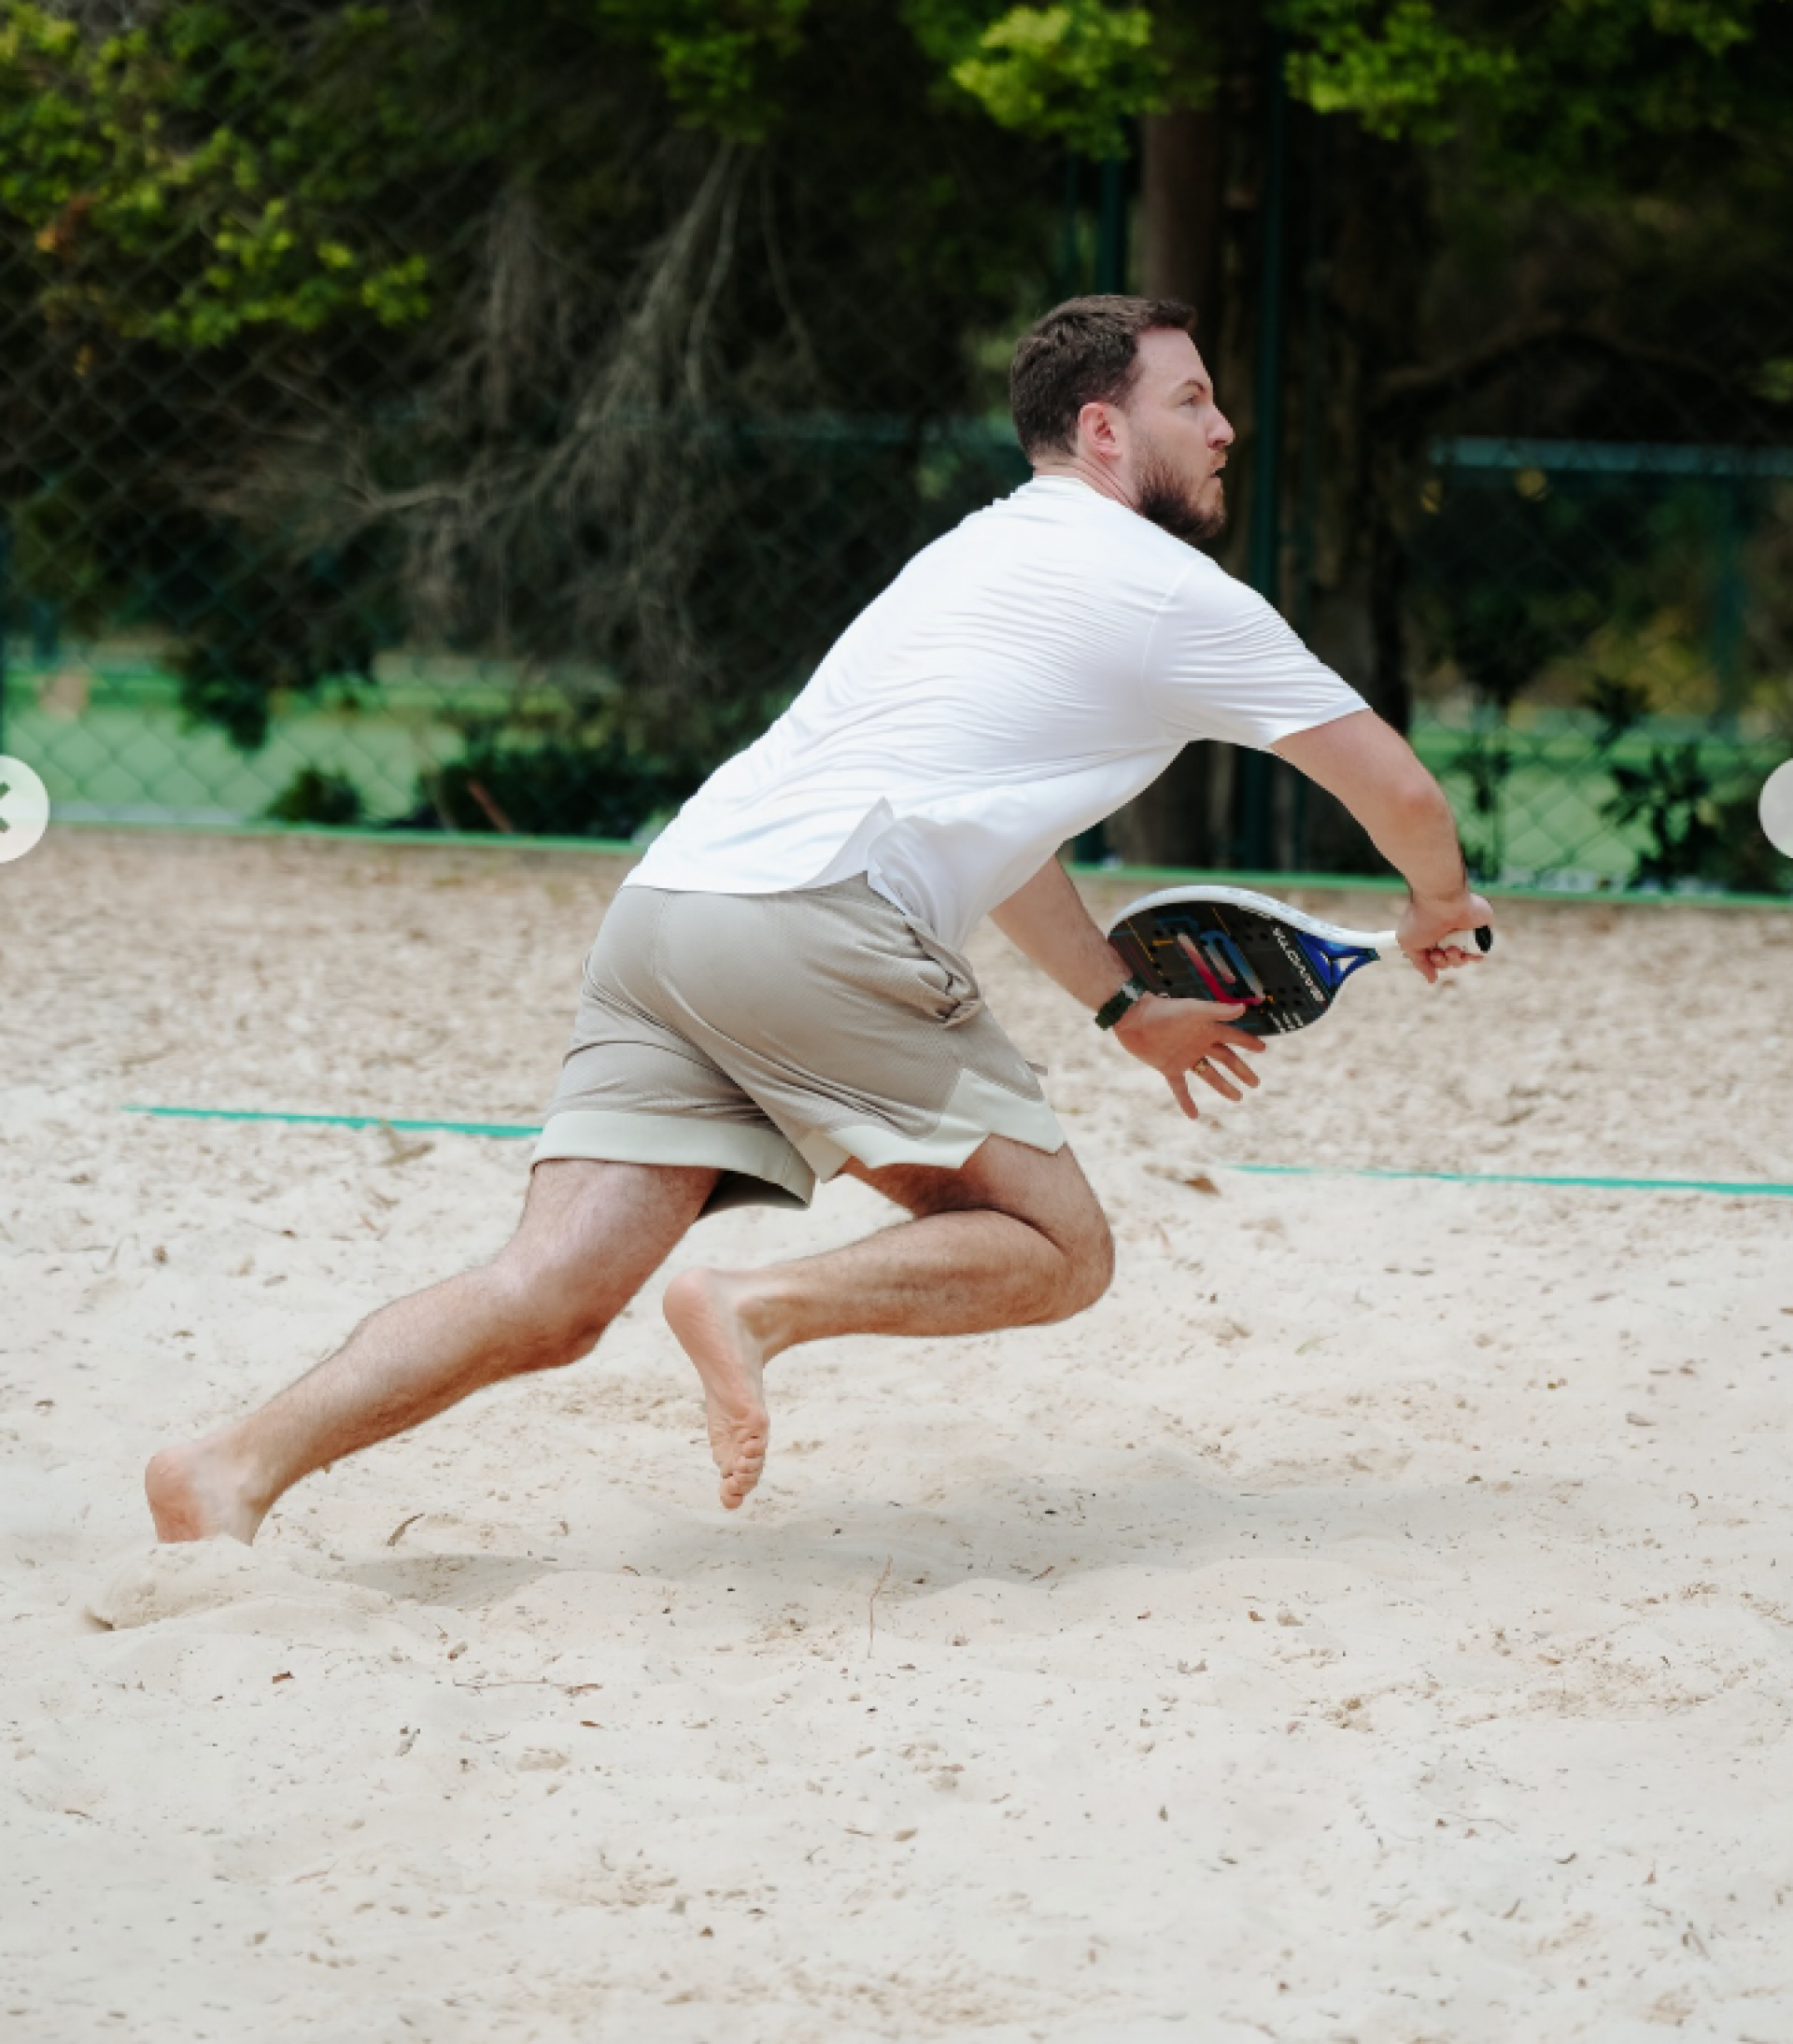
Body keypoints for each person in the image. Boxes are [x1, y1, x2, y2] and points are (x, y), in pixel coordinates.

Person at [146, 294, 1490, 1544]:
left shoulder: (969, 557)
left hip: (673, 913)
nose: (1223, 429)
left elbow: (1000, 844)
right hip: (810, 930)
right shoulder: (1178, 595)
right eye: (1192, 400)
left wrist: (1123, 1005)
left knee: (548, 1298)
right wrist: (1439, 906)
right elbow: (1398, 787)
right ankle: (752, 1304)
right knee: (1061, 1249)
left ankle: (225, 1469)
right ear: (1102, 429)